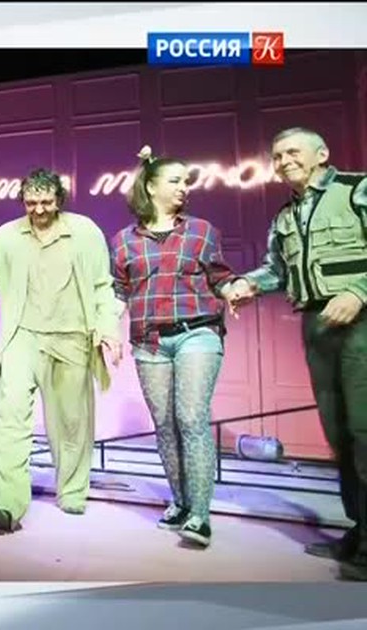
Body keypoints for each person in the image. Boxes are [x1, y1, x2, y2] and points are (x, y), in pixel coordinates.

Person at [224, 127, 366, 580]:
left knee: (365, 431)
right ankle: (360, 531)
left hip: (361, 322)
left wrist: (359, 292)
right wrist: (248, 284)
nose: (284, 161)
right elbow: (279, 270)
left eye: (292, 152)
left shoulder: (357, 189)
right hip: (317, 324)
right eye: (277, 155)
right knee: (339, 432)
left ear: (322, 154)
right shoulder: (286, 215)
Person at [0, 168, 120, 532]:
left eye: (46, 202)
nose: (39, 210)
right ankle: (1, 502)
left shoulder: (85, 232)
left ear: (59, 199)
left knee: (72, 423)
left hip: (72, 337)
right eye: (31, 203)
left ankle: (72, 491)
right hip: (22, 336)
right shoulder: (7, 236)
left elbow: (102, 287)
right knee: (7, 418)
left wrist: (108, 330)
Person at [112, 146, 238, 548]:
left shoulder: (201, 231)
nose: (185, 187)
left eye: (187, 182)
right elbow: (119, 291)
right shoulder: (123, 241)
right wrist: (106, 330)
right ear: (151, 186)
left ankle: (200, 516)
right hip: (150, 341)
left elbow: (221, 276)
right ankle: (181, 503)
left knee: (191, 417)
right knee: (165, 425)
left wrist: (236, 289)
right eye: (176, 180)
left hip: (197, 333)